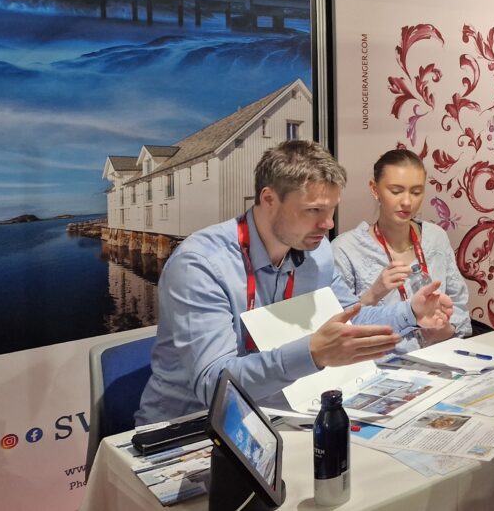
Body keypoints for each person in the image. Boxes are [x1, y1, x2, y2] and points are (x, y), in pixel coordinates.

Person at [136, 141, 454, 425]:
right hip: (189, 426)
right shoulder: (201, 265)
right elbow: (214, 385)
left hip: (276, 413)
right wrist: (312, 354)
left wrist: (410, 312)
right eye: (313, 210)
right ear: (269, 199)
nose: (327, 224)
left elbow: (350, 317)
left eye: (332, 210)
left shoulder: (316, 251)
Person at [332, 149, 471, 350]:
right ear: (375, 189)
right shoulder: (346, 249)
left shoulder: (435, 238)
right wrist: (374, 294)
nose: (407, 202)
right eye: (396, 191)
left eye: (416, 192)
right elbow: (335, 330)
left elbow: (458, 304)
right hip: (379, 363)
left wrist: (445, 330)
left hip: (437, 357)